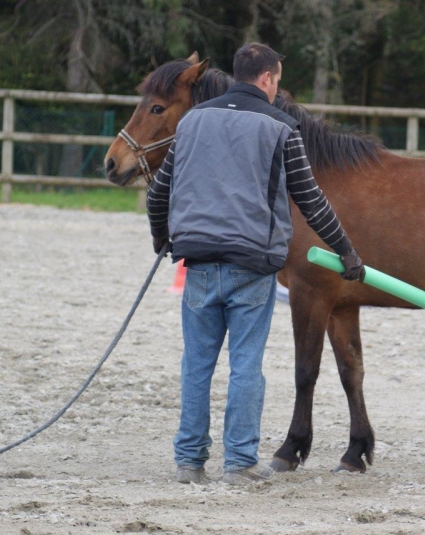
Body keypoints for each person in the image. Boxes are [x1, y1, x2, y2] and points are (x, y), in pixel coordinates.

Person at [147, 42, 365, 486]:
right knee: (246, 364)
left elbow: (157, 194)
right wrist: (347, 252)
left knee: (197, 363)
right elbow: (311, 201)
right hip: (252, 263)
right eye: (278, 78)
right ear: (267, 79)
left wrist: (162, 239)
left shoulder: (191, 123)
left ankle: (189, 463)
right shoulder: (281, 127)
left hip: (200, 260)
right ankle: (240, 463)